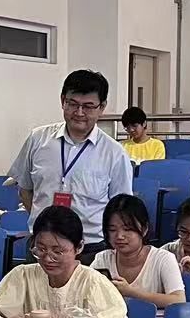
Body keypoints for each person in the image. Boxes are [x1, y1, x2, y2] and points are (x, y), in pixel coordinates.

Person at [9, 70, 134, 260]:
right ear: (62, 101)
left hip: (90, 250)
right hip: (41, 247)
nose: (79, 112)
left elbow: (120, 209)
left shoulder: (114, 153)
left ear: (102, 107)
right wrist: (44, 223)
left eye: (88, 106)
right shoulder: (38, 139)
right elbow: (25, 190)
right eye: (73, 104)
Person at [0, 205, 127, 318]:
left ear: (79, 247)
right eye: (41, 249)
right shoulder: (22, 276)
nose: (48, 259)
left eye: (58, 251)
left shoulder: (93, 283)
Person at [92, 194, 187, 309]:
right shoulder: (103, 259)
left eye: (127, 229)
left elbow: (178, 300)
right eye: (112, 230)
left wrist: (131, 292)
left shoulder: (163, 258)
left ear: (144, 229)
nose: (119, 236)